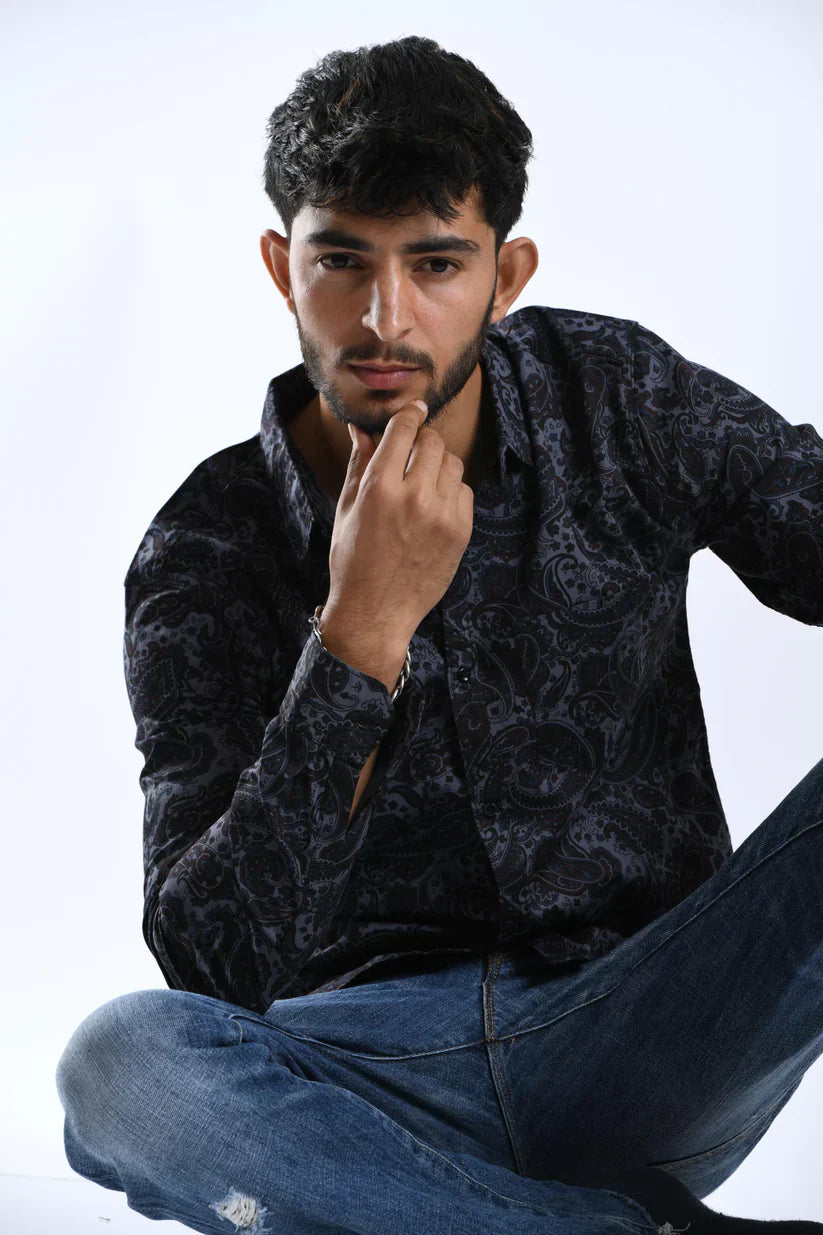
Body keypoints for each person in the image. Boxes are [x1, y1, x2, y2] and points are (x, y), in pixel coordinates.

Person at [56, 34, 823, 1235]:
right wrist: (360, 633)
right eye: (340, 261)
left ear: (505, 272)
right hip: (366, 1084)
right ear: (280, 263)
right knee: (119, 1066)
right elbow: (209, 962)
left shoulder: (612, 395)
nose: (384, 317)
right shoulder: (205, 543)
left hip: (650, 1026)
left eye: (435, 262)